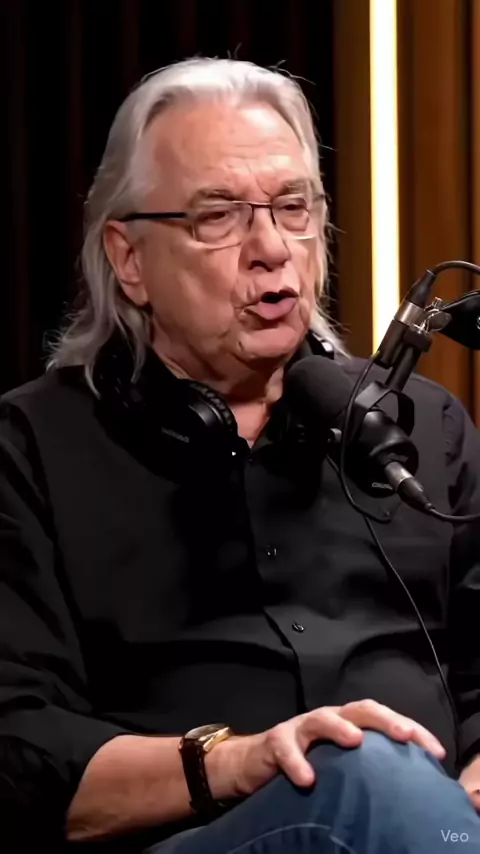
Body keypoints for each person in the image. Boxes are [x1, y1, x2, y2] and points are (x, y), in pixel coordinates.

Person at [0, 57, 480, 854]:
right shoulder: (31, 448)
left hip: (432, 831)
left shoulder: (423, 428)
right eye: (219, 216)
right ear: (129, 258)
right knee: (367, 772)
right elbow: (18, 745)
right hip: (196, 835)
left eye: (294, 207)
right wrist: (234, 761)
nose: (271, 249)